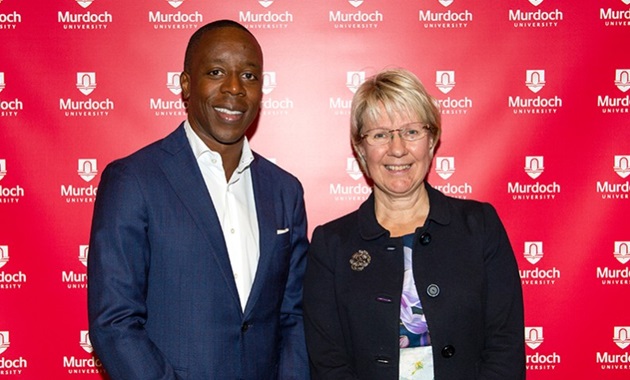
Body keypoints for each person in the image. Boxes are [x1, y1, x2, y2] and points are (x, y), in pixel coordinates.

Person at [87, 20, 309, 380]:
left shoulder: (285, 190)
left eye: (249, 76)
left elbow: (293, 317)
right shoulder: (134, 180)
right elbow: (115, 322)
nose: (235, 88)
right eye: (217, 71)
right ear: (186, 84)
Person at [303, 68, 525, 380]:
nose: (397, 149)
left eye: (411, 132)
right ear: (360, 148)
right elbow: (329, 362)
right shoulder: (331, 244)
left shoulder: (480, 226)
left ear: (432, 139)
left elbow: (505, 346)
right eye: (380, 134)